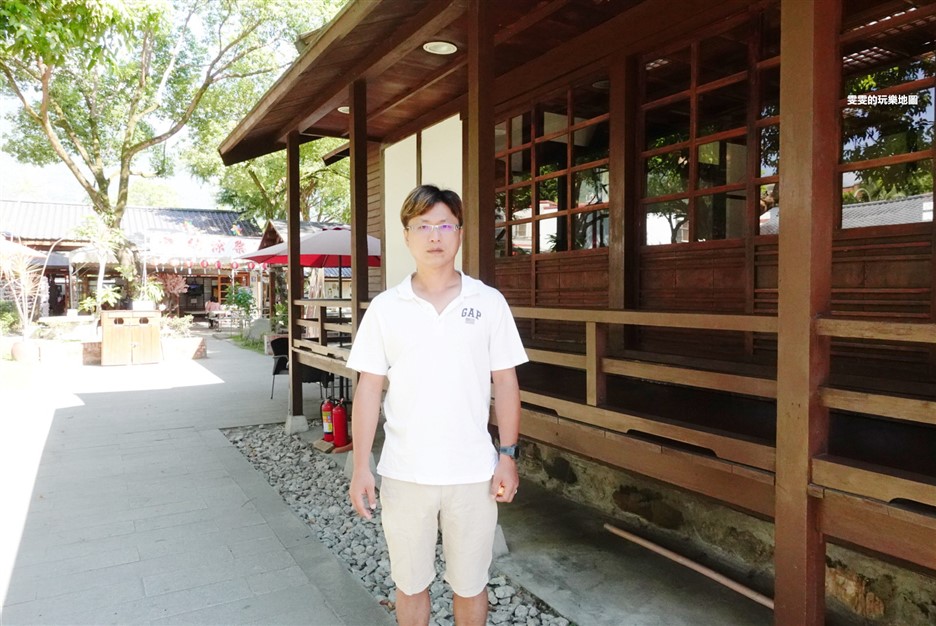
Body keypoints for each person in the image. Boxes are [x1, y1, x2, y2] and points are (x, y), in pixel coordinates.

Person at [347, 185, 528, 626]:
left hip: (473, 474)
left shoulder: (487, 302)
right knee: (410, 586)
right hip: (405, 474)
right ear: (406, 236)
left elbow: (505, 382)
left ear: (460, 234)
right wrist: (360, 466)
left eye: (445, 225)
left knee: (470, 585)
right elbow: (369, 389)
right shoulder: (387, 309)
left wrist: (508, 455)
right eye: (422, 226)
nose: (434, 236)